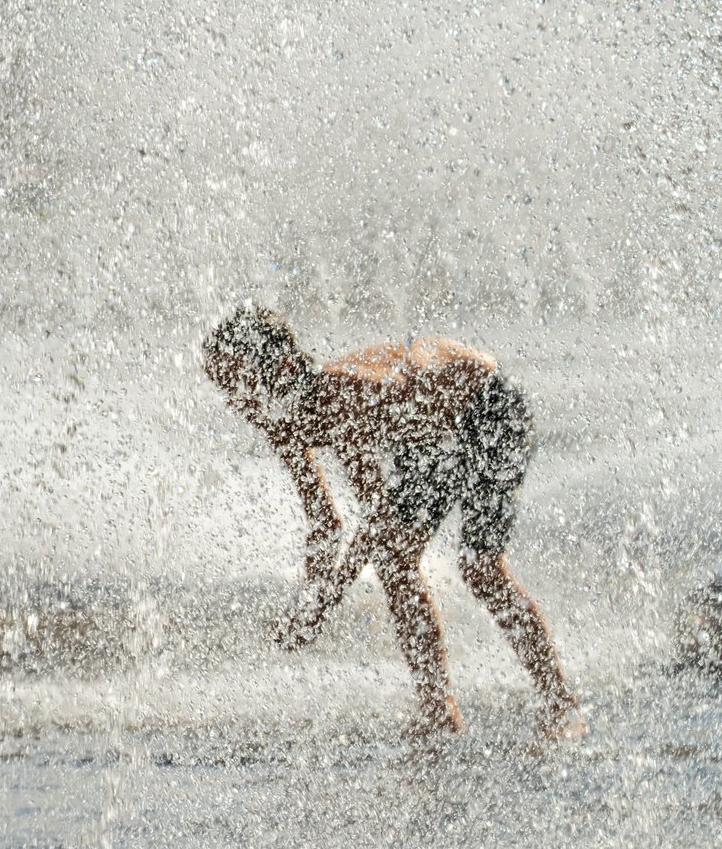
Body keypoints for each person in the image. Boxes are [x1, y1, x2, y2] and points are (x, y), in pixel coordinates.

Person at [199, 302, 587, 741]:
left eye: (238, 382)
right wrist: (308, 603)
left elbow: (377, 515)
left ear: (284, 369)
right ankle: (439, 712)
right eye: (223, 386)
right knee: (395, 561)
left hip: (487, 407)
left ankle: (560, 703)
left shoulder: (343, 397)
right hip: (427, 432)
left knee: (479, 569)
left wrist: (323, 605)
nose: (234, 401)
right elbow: (326, 522)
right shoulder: (281, 419)